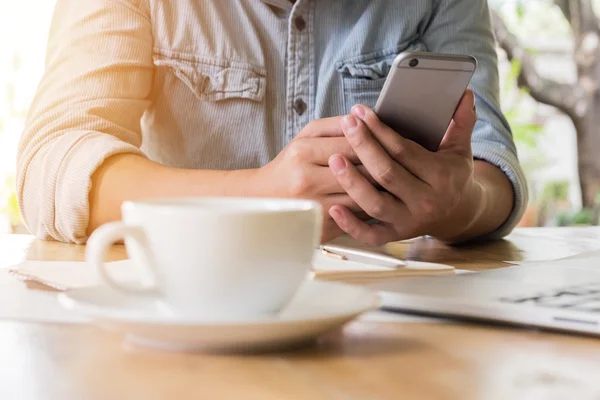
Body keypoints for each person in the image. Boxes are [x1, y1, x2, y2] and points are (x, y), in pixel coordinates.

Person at [17, 0, 527, 245]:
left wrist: (455, 204)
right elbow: (52, 163)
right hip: (187, 317)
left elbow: (493, 168)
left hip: (385, 329)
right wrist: (256, 195)